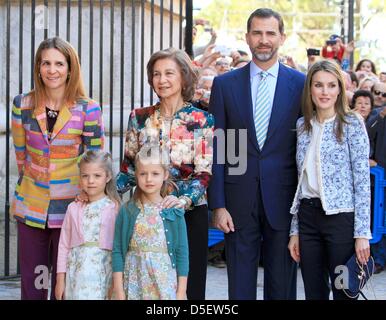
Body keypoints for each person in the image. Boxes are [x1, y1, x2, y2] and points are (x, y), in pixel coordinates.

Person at [208, 8, 305, 300]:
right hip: (238, 202)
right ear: (247, 37)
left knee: (282, 286)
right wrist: (219, 204)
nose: (264, 40)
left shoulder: (301, 85)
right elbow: (222, 146)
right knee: (239, 284)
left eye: (270, 33)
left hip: (285, 201)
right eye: (258, 33)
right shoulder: (225, 85)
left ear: (282, 38)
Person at [116, 48, 214, 300]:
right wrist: (102, 194)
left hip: (188, 214)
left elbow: (204, 173)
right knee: (148, 286)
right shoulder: (139, 118)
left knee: (189, 289)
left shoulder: (202, 119)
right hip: (145, 213)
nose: (162, 80)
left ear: (183, 77)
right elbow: (127, 169)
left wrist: (183, 201)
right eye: (156, 74)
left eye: (169, 73)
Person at [11, 37, 104, 300]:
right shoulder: (22, 104)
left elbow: (94, 156)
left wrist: (88, 192)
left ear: (70, 68)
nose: (52, 70)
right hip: (31, 205)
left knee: (64, 282)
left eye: (59, 64)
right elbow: (21, 155)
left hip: (73, 205)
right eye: (46, 63)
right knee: (34, 280)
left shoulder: (88, 108)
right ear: (38, 68)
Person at [288, 59, 371, 300]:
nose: (325, 92)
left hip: (341, 221)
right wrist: (295, 231)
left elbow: (362, 182)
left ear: (340, 89)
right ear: (310, 89)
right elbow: (299, 182)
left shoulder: (352, 123)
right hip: (308, 218)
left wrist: (361, 233)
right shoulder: (302, 126)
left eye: (331, 85)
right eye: (319, 85)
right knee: (314, 292)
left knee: (344, 291)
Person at [112, 146, 189, 300]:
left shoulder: (174, 212)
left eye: (155, 173)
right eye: (143, 174)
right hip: (134, 284)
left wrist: (181, 291)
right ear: (136, 175)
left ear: (165, 174)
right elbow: (118, 251)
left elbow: (182, 252)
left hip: (164, 284)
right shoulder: (127, 211)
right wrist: (119, 291)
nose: (149, 179)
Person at [55, 150, 120, 300]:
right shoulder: (73, 208)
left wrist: (116, 283)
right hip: (76, 275)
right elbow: (63, 245)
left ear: (108, 177)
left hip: (103, 273)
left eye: (97, 176)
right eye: (85, 176)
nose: (91, 181)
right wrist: (60, 280)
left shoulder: (114, 208)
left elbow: (120, 247)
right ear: (80, 177)